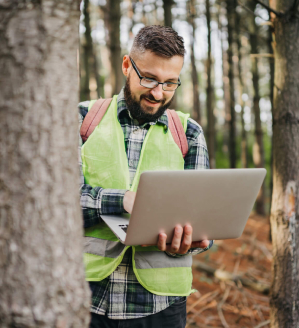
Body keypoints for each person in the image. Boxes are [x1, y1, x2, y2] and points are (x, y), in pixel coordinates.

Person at [79, 25, 213, 327]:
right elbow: (56, 205)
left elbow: (204, 222)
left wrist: (198, 240)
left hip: (160, 307)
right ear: (127, 65)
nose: (157, 93)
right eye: (149, 78)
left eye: (169, 84)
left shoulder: (190, 134)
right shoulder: (82, 120)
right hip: (82, 295)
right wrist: (123, 200)